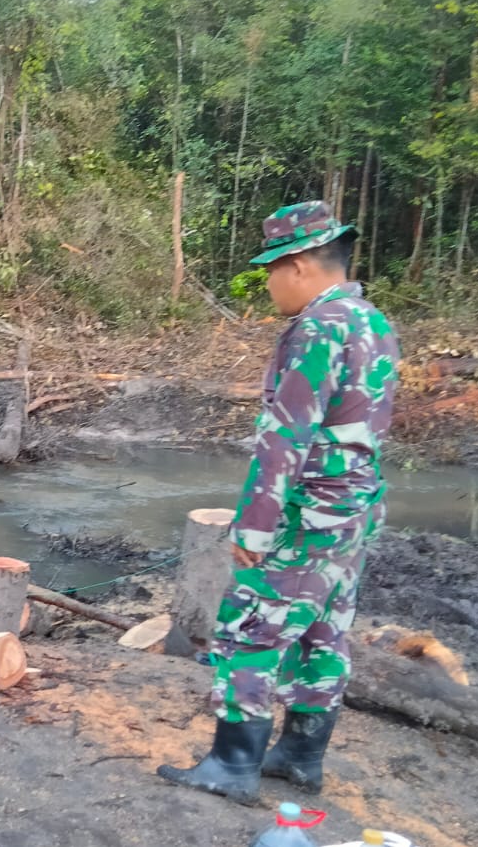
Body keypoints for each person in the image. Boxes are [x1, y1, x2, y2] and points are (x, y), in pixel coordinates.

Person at [158, 201, 399, 804]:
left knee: (248, 629)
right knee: (324, 630)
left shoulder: (317, 328)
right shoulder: (373, 321)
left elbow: (286, 437)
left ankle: (232, 766)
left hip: (306, 513)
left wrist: (254, 529)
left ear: (298, 266)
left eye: (270, 271)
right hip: (353, 511)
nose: (268, 285)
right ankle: (299, 754)